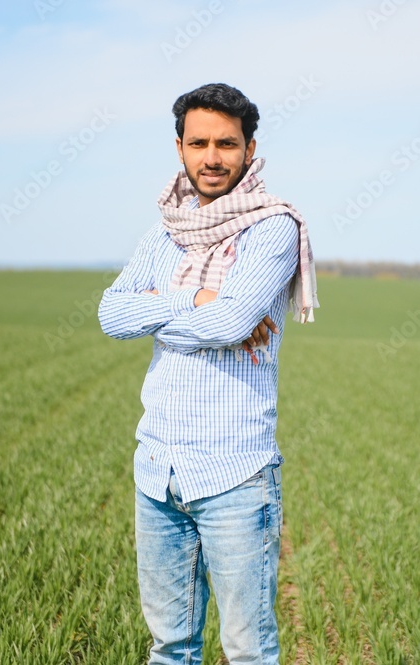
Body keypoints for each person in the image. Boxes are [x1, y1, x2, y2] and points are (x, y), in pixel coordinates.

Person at [98, 82, 318, 665]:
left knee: (247, 651)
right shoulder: (163, 232)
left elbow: (233, 322)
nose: (212, 157)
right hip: (157, 473)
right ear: (180, 149)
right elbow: (111, 314)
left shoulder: (272, 228)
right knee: (170, 648)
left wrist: (171, 307)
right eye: (199, 143)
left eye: (227, 143)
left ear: (250, 148)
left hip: (235, 476)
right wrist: (198, 298)